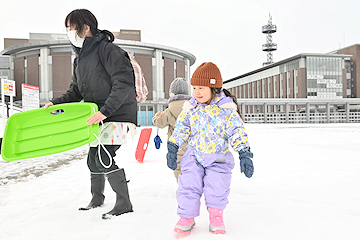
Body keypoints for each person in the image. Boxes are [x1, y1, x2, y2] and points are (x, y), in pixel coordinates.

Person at [44, 9, 136, 219]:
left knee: (103, 158)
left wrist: (105, 111)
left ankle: (124, 203)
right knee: (92, 160)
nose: (69, 33)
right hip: (98, 117)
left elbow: (123, 84)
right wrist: (54, 103)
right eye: (67, 29)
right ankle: (97, 198)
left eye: (72, 28)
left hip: (117, 115)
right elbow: (76, 91)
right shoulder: (80, 60)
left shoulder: (109, 51)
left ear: (86, 27)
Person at [166, 62, 254, 234]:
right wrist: (173, 145)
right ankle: (186, 217)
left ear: (214, 88)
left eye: (201, 87)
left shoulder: (226, 109)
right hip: (194, 154)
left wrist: (244, 153)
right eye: (194, 88)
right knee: (188, 184)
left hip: (218, 156)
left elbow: (237, 131)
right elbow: (182, 127)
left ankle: (216, 217)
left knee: (217, 186)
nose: (196, 92)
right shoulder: (191, 108)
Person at [152, 77, 191, 182]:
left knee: (179, 167)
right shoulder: (193, 108)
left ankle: (185, 188)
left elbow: (159, 123)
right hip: (193, 146)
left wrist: (156, 116)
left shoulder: (169, 111)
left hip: (176, 147)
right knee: (193, 167)